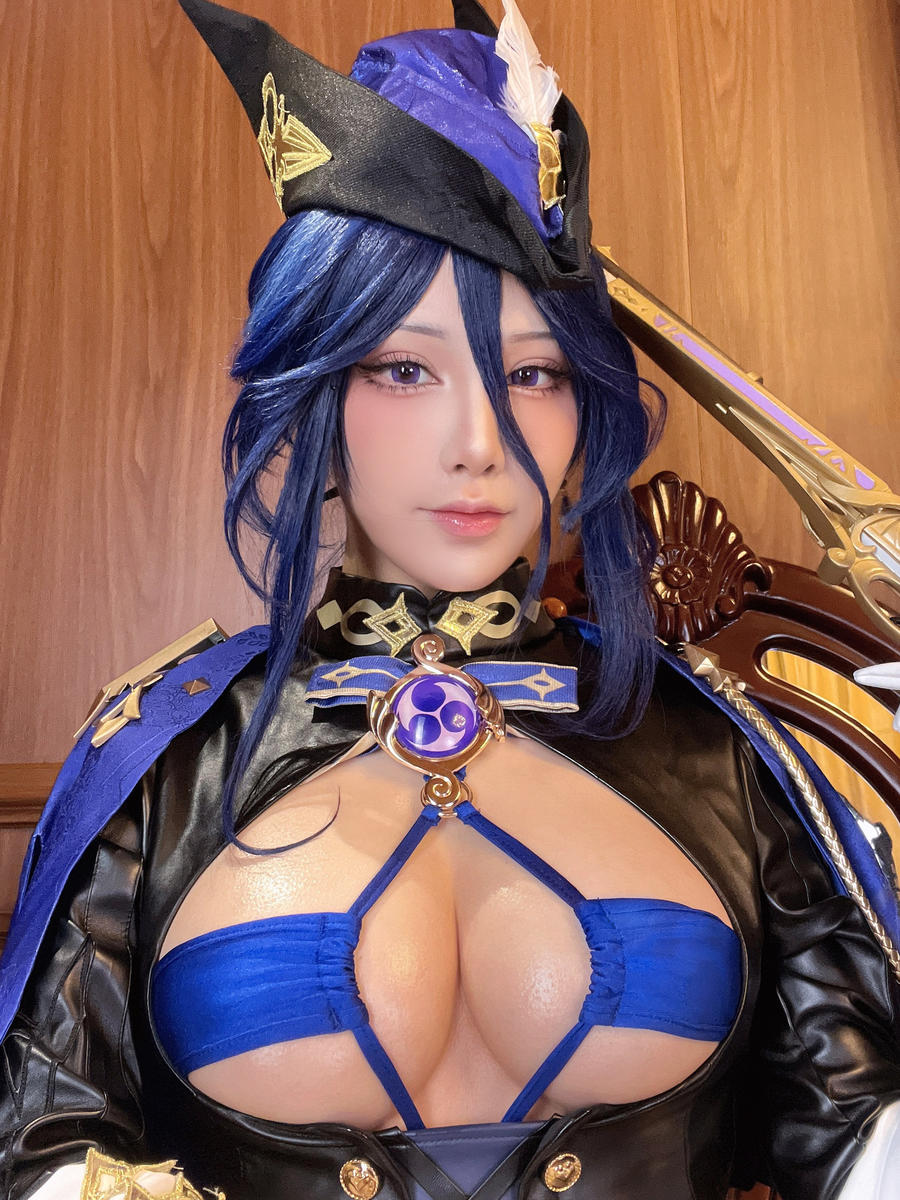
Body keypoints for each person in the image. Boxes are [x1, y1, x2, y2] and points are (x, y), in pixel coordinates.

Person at [1, 1, 899, 1198]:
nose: (478, 440)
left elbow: (856, 1130)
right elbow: (41, 1142)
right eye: (403, 367)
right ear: (314, 396)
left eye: (532, 372)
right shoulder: (165, 759)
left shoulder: (717, 747)